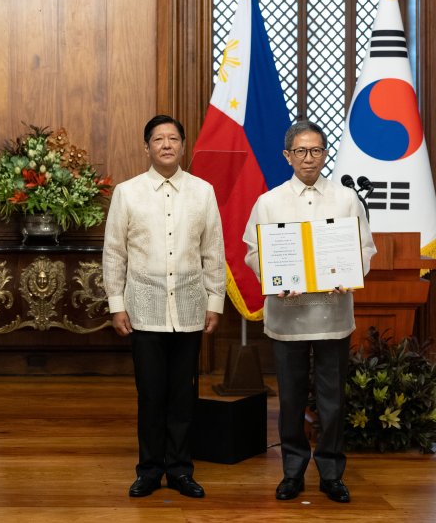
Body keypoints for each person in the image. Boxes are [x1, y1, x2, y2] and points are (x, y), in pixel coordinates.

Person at [243, 120, 376, 503]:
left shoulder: (347, 199)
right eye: (300, 151)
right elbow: (254, 251)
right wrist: (272, 275)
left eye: (315, 150)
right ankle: (292, 471)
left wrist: (350, 273)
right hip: (287, 317)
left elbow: (365, 249)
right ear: (287, 156)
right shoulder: (269, 201)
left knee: (333, 398)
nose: (308, 158)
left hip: (333, 314)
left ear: (325, 154)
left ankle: (332, 472)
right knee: (290, 399)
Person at [103, 115, 226, 499]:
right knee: (151, 395)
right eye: (159, 139)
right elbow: (114, 253)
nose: (167, 145)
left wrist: (215, 300)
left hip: (190, 307)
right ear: (147, 147)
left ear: (183, 146)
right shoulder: (127, 192)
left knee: (183, 396)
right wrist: (116, 304)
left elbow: (213, 251)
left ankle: (180, 470)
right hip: (144, 309)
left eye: (174, 138)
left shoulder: (203, 192)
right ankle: (149, 470)